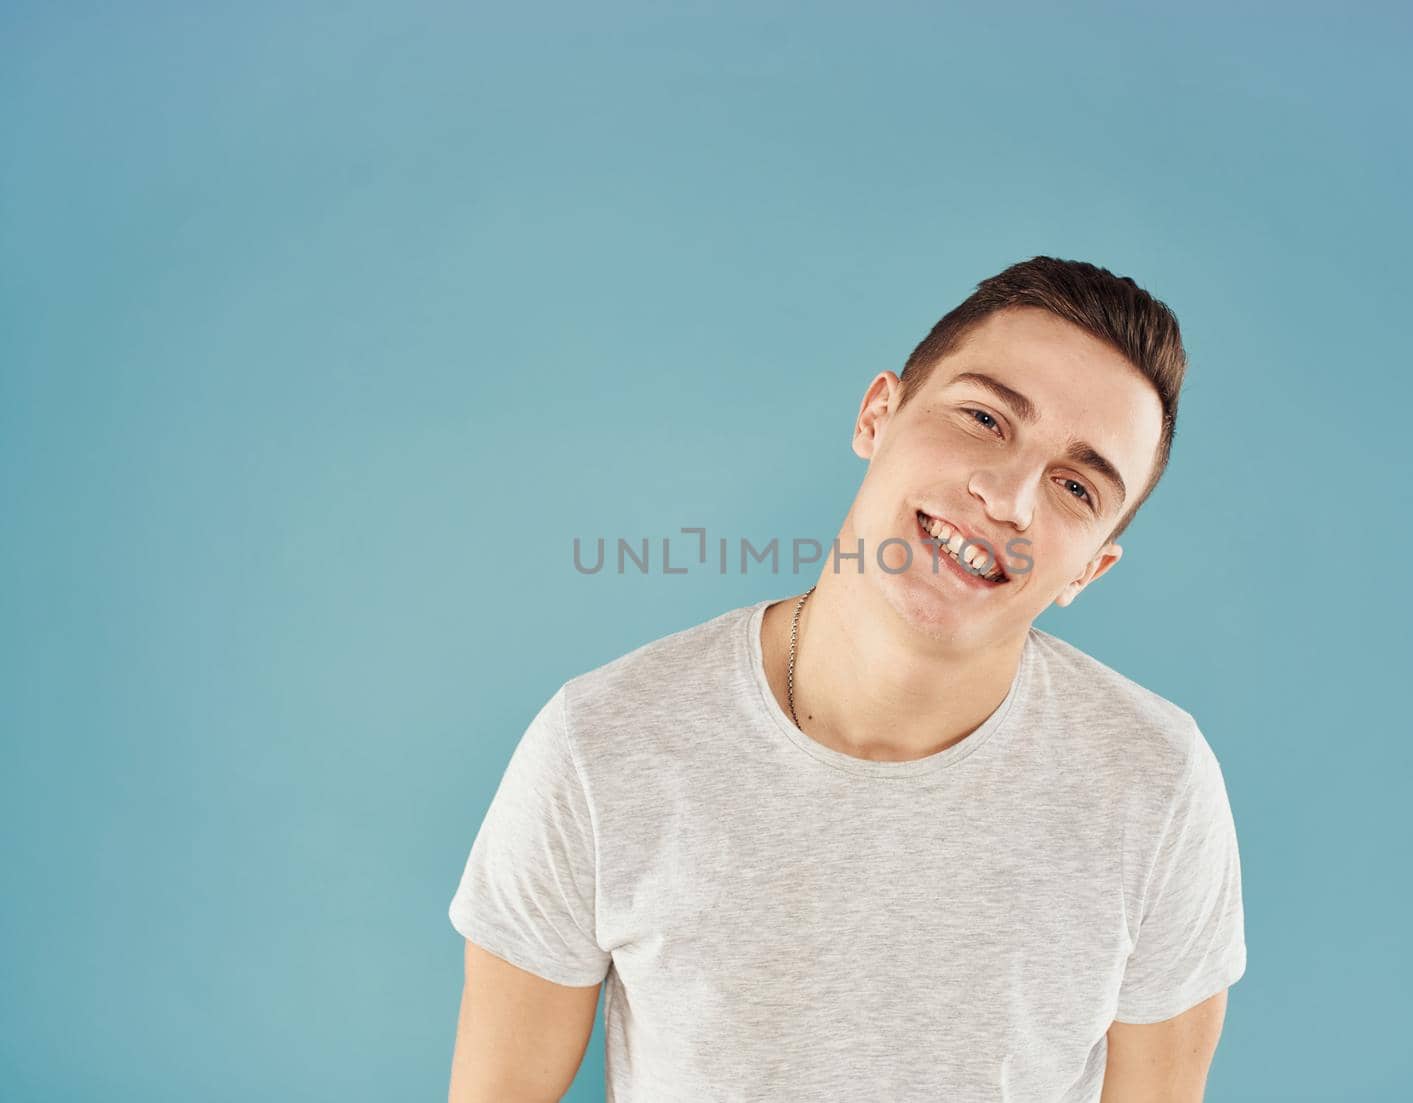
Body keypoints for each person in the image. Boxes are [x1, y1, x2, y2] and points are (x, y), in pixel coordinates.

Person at [445, 256, 1248, 1102]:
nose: (1010, 498)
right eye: (984, 417)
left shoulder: (1155, 782)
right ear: (879, 413)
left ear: (1091, 568)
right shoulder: (602, 744)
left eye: (1076, 486)